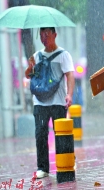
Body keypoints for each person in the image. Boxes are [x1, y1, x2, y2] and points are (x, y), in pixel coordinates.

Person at [25, 27, 75, 179]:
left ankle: (64, 163)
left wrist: (69, 94)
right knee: (40, 134)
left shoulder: (63, 55)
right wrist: (30, 66)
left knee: (60, 135)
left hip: (58, 101)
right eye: (41, 35)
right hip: (40, 102)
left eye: (47, 34)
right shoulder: (37, 55)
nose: (44, 38)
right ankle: (43, 168)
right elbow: (28, 76)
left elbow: (70, 75)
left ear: (55, 35)